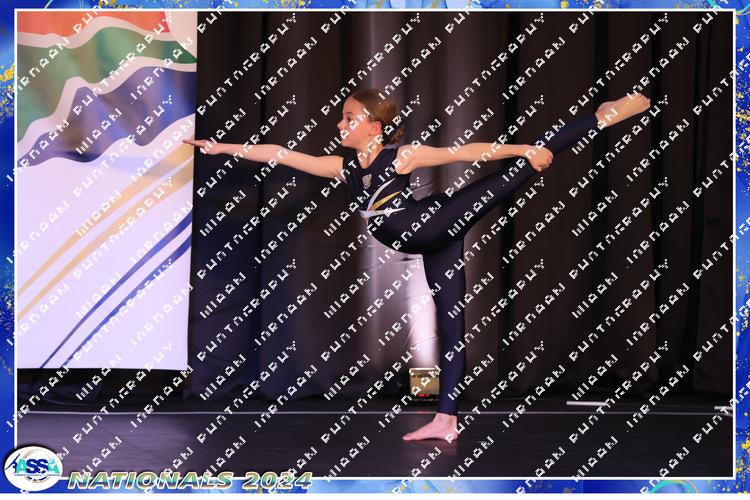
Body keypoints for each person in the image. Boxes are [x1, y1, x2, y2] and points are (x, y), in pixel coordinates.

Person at [184, 88, 651, 441]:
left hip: (433, 221)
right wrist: (222, 147)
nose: (341, 123)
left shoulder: (400, 157)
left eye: (349, 118)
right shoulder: (344, 168)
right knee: (451, 323)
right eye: (342, 117)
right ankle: (446, 419)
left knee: (517, 170)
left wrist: (519, 149)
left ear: (374, 127)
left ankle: (603, 116)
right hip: (433, 243)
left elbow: (465, 152)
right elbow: (281, 155)